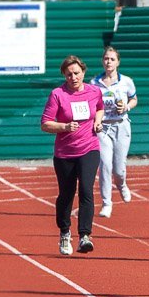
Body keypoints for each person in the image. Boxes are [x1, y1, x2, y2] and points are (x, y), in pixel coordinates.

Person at [42, 55, 104, 255]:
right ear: (64, 76)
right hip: (65, 153)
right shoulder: (58, 94)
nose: (73, 77)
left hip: (89, 147)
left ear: (83, 73)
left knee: (86, 189)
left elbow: (100, 108)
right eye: (69, 74)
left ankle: (85, 235)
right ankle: (64, 231)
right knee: (66, 194)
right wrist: (64, 126)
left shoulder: (94, 91)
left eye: (76, 73)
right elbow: (45, 123)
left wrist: (98, 121)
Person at [92, 46, 137, 218]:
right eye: (106, 59)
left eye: (112, 59)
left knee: (119, 168)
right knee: (105, 164)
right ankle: (106, 203)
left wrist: (126, 106)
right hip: (103, 127)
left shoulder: (126, 81)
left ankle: (122, 183)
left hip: (121, 125)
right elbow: (92, 104)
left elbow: (134, 99)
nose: (109, 62)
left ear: (117, 62)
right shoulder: (95, 83)